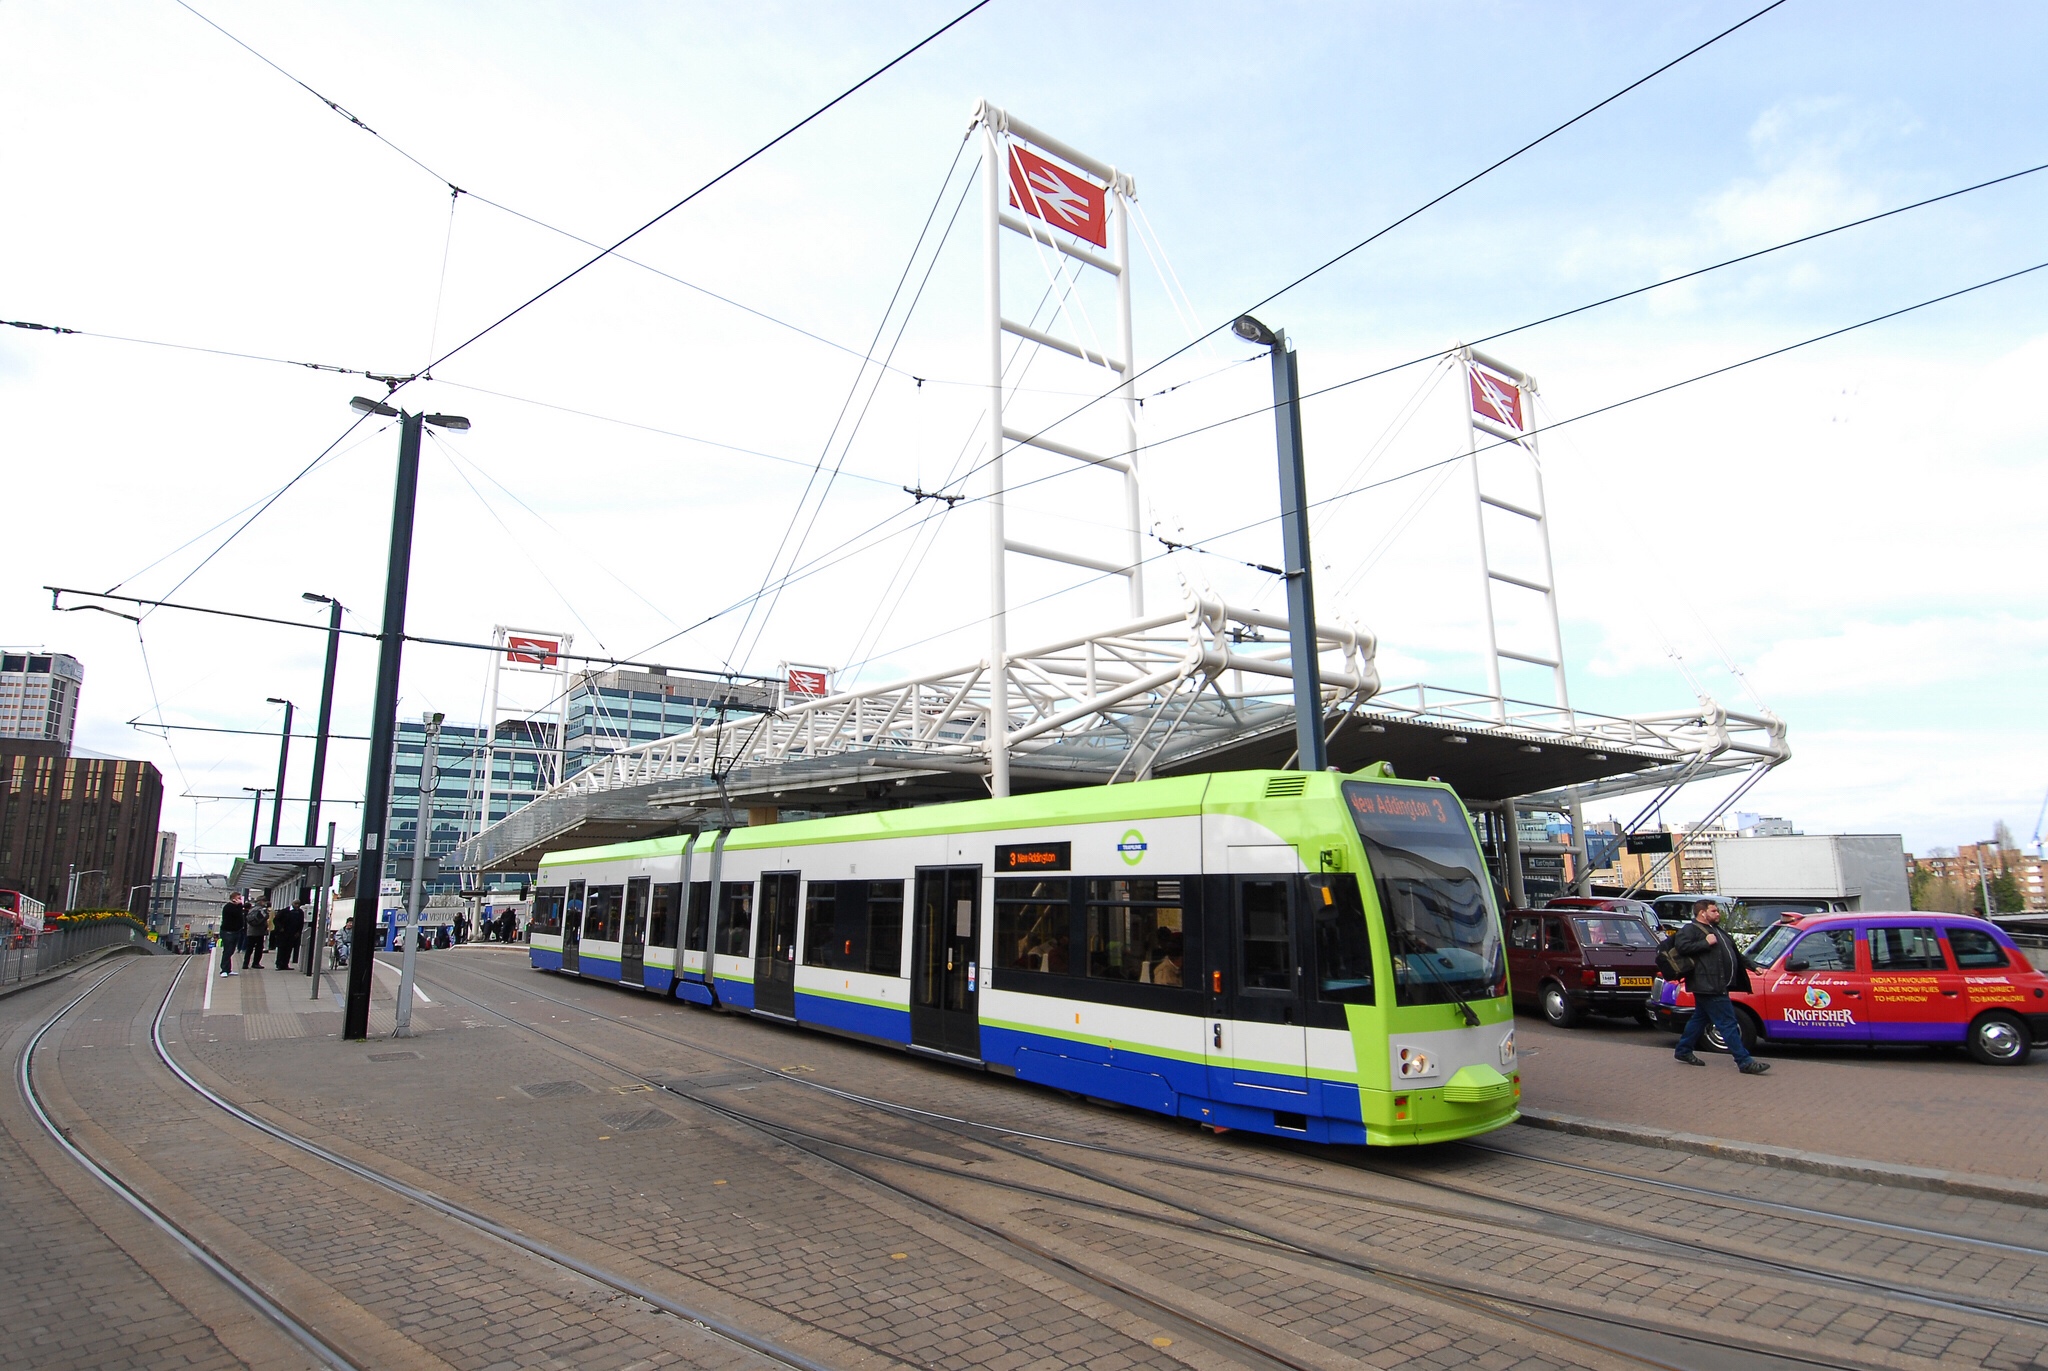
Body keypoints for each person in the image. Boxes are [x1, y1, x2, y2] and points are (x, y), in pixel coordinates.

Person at [1671, 900, 1771, 1074]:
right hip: (1708, 984)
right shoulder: (1691, 929)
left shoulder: (1717, 930)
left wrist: (1753, 966)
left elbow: (1735, 954)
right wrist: (1705, 943)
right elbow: (1681, 947)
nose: (1718, 914)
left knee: (1700, 1018)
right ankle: (1744, 1061)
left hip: (1717, 983)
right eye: (1714, 911)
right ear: (1703, 913)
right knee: (1728, 1022)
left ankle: (1683, 1050)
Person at [217, 894, 246, 976]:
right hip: (228, 932)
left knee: (231, 950)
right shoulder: (228, 907)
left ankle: (228, 969)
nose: (240, 900)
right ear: (233, 899)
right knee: (228, 951)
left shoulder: (236, 907)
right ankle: (223, 970)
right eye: (239, 898)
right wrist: (240, 905)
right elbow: (236, 914)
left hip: (236, 931)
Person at [273, 898, 305, 970]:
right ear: (292, 904)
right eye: (295, 904)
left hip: (292, 934)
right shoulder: (284, 911)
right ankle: (279, 964)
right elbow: (276, 920)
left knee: (289, 949)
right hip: (283, 934)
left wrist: (298, 932)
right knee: (281, 949)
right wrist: (280, 928)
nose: (297, 906)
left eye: (298, 904)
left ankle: (285, 964)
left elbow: (301, 923)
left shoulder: (300, 912)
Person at [242, 902, 270, 971]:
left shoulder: (251, 909)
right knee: (259, 948)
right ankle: (256, 963)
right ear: (261, 902)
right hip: (259, 931)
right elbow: (265, 918)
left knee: (249, 948)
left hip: (250, 932)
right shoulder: (262, 910)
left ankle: (245, 964)